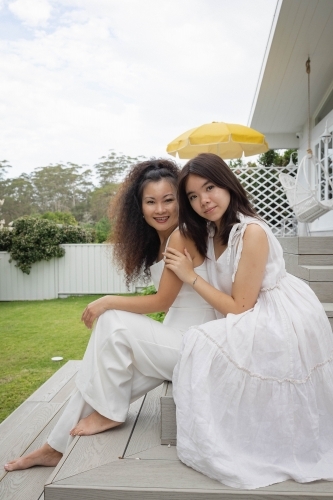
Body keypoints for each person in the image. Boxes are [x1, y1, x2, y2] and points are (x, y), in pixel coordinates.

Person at [4, 159, 216, 472]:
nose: (161, 209)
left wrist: (107, 300)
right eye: (151, 201)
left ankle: (110, 413)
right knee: (98, 379)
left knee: (111, 321)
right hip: (179, 340)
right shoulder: (161, 240)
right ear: (139, 207)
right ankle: (53, 447)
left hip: (196, 345)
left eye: (169, 199)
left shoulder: (181, 236)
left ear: (181, 201)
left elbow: (163, 301)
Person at [163, 153, 333, 490]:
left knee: (202, 341)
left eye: (209, 188)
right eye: (193, 196)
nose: (203, 201)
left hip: (279, 315)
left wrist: (189, 275)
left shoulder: (251, 231)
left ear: (227, 183)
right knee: (200, 342)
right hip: (251, 308)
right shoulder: (212, 231)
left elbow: (240, 307)